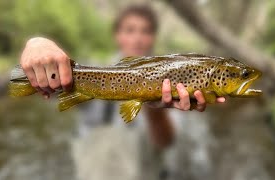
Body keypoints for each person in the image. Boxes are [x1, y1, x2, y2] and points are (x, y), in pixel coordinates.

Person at [19, 5, 225, 179]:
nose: (138, 39)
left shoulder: (175, 78)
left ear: (153, 37)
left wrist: (154, 107)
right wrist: (37, 43)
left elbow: (166, 143)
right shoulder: (95, 72)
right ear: (117, 35)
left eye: (145, 31)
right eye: (130, 30)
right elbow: (54, 84)